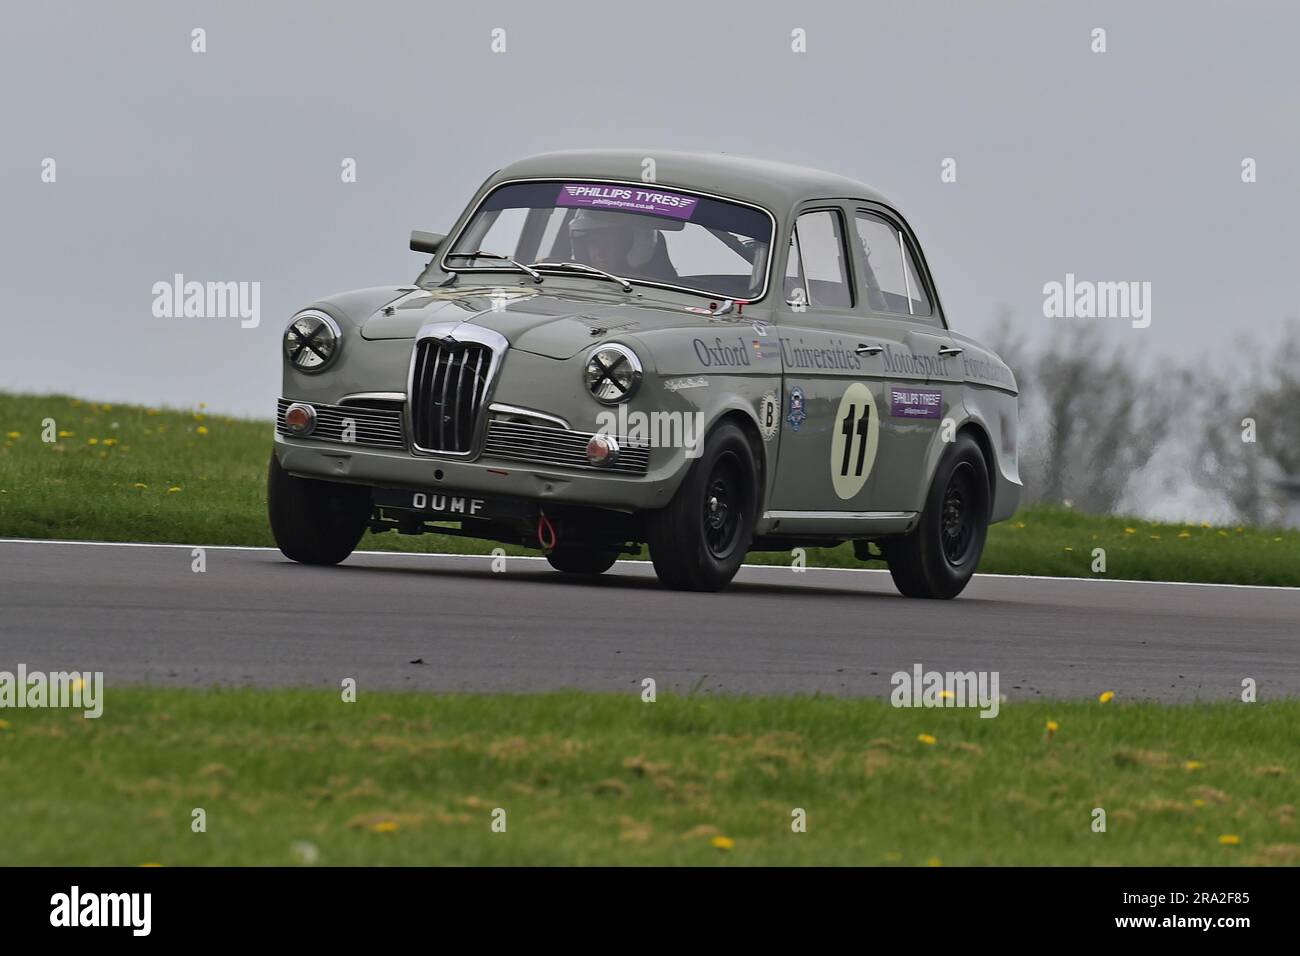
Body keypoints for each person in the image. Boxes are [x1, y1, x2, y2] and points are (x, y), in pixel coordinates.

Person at [566, 208, 678, 281]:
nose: (601, 253)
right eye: (594, 243)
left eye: (608, 243)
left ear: (628, 247)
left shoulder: (665, 297)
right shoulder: (566, 283)